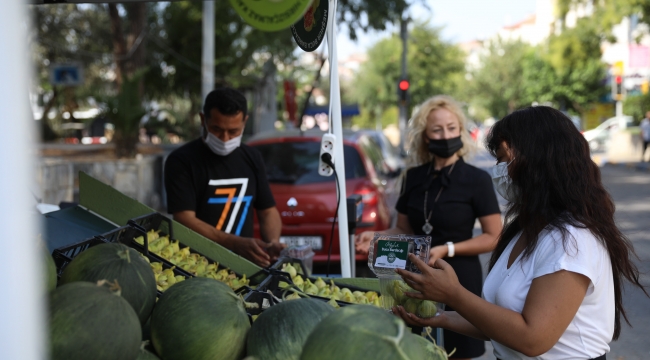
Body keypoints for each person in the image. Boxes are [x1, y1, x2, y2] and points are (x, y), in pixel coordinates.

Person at [394, 106, 648, 360]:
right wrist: (436, 315)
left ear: (539, 161)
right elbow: (501, 322)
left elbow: (532, 338)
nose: (499, 170)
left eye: (505, 160)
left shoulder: (572, 239)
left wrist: (453, 294)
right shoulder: (527, 230)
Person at [355, 95, 503, 359]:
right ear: (425, 136)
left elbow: (494, 236)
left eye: (452, 128)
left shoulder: (476, 179)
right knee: (414, 350)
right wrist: (375, 237)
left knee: (458, 352)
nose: (445, 135)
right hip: (413, 279)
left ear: (461, 131)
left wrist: (446, 249)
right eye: (437, 129)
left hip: (459, 279)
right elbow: (402, 229)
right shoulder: (413, 177)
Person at [164, 87, 285, 267]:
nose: (225, 138)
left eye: (234, 131)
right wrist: (234, 243)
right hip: (197, 266)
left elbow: (267, 211)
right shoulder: (181, 161)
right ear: (203, 120)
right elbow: (184, 219)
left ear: (245, 121)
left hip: (245, 266)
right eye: (217, 129)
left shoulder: (252, 157)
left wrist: (273, 242)